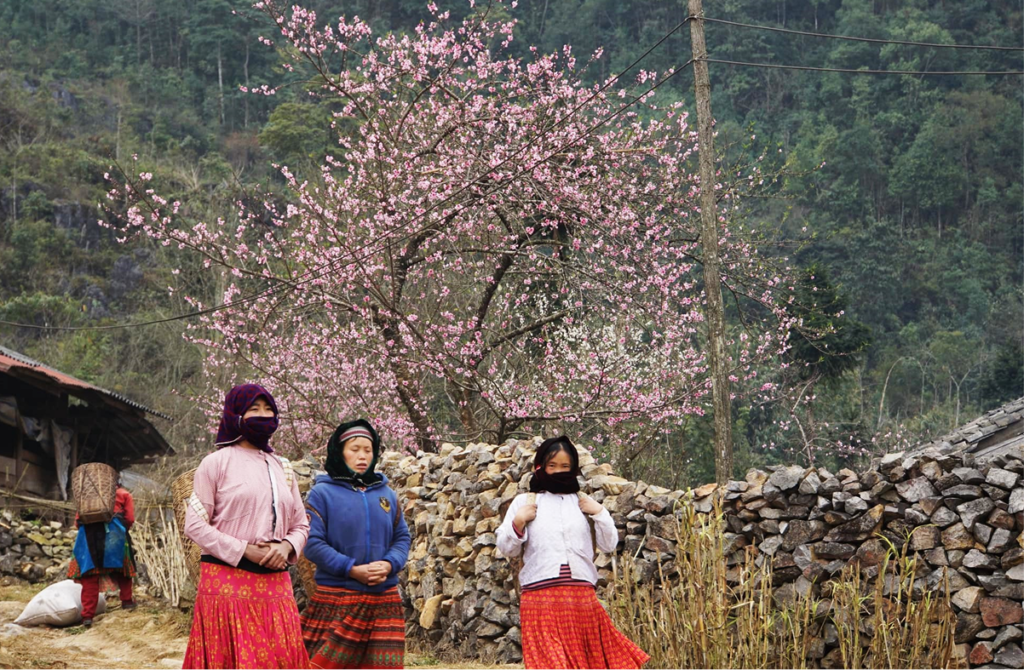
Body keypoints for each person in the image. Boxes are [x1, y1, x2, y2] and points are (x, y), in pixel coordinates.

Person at [182, 383, 310, 670]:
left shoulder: (282, 467)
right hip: (227, 582)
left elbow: (301, 523)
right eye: (255, 409)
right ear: (235, 415)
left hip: (276, 584)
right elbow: (194, 525)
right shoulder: (215, 463)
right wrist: (244, 550)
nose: (264, 416)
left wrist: (287, 546)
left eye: (269, 410)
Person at [496, 436, 649, 669]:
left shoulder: (583, 503)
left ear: (574, 468)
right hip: (541, 600)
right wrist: (518, 523)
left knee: (590, 663)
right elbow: (507, 548)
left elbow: (609, 545)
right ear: (540, 466)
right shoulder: (524, 502)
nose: (558, 471)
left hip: (581, 600)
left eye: (565, 466)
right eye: (552, 466)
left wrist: (600, 513)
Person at [301, 419, 411, 670]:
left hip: (384, 600)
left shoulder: (387, 495)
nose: (362, 456)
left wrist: (388, 564)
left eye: (368, 450)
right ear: (339, 452)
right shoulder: (322, 494)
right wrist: (351, 568)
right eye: (354, 449)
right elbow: (313, 543)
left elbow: (401, 537)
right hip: (339, 598)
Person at [68, 477, 137, 627]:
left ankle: (87, 616)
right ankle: (127, 602)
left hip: (88, 537)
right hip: (115, 535)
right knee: (123, 570)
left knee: (90, 575)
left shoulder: (86, 497)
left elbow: (77, 522)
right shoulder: (124, 494)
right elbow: (130, 519)